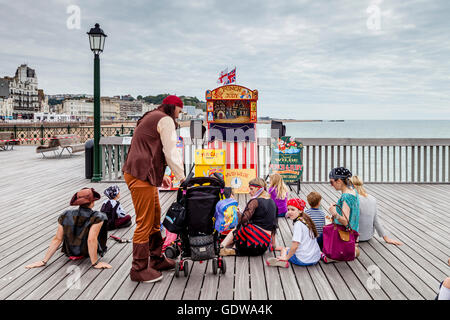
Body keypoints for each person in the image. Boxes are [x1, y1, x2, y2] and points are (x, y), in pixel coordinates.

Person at [122, 95, 186, 283]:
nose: (179, 116)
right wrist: (183, 178)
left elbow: (149, 148)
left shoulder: (152, 115)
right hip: (141, 175)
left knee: (154, 218)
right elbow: (170, 151)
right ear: (173, 107)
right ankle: (139, 269)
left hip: (141, 173)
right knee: (145, 222)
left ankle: (156, 260)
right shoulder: (165, 120)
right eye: (179, 111)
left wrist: (162, 175)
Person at [25, 188, 112, 270]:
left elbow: (57, 239)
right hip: (85, 253)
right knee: (100, 224)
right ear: (92, 202)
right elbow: (91, 240)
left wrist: (44, 261)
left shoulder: (65, 214)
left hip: (70, 253)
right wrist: (95, 263)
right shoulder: (98, 217)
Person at [219, 178, 278, 256]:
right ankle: (233, 248)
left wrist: (236, 211)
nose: (249, 192)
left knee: (239, 227)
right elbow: (274, 225)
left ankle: (222, 247)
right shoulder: (272, 202)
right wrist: (273, 245)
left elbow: (243, 220)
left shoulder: (255, 201)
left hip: (252, 243)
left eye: (251, 189)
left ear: (258, 189)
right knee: (246, 227)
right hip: (263, 246)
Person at [266, 198, 321, 268]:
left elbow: (295, 246)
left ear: (300, 210)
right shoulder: (306, 219)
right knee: (287, 248)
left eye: (293, 209)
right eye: (288, 209)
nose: (289, 212)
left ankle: (282, 260)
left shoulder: (298, 224)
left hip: (303, 260)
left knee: (285, 249)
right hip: (315, 258)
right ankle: (279, 251)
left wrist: (286, 258)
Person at [350, 176, 402, 245]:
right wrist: (386, 238)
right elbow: (376, 220)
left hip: (354, 237)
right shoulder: (372, 199)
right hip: (368, 236)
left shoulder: (352, 199)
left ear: (352, 185)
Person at [327, 167, 360, 260]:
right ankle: (353, 248)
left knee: (318, 236)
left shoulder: (346, 196)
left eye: (331, 182)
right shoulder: (353, 191)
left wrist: (334, 213)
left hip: (343, 234)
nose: (331, 185)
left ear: (339, 181)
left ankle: (346, 250)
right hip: (353, 232)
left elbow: (346, 221)